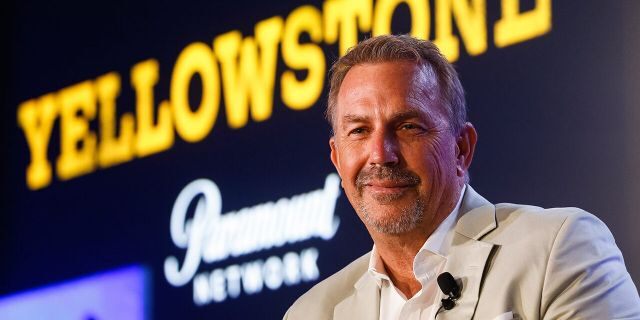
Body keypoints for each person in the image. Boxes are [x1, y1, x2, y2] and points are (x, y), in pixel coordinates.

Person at [283, 35, 640, 319]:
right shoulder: (312, 313)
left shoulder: (559, 251)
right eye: (359, 131)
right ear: (336, 158)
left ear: (461, 148)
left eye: (409, 126)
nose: (381, 154)